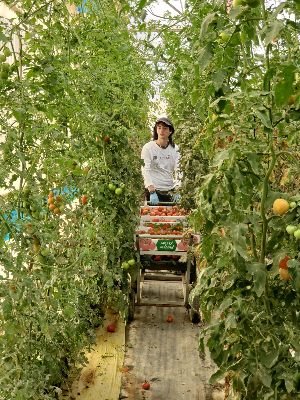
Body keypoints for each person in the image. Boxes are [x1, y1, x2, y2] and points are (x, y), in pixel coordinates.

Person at [141, 117, 182, 205]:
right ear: (156, 130)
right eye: (159, 127)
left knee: (171, 217)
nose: (161, 130)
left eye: (165, 128)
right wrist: (152, 191)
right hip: (154, 190)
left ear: (170, 131)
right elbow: (145, 169)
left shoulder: (175, 149)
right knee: (154, 217)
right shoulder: (148, 148)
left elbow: (179, 169)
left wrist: (178, 188)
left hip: (170, 190)